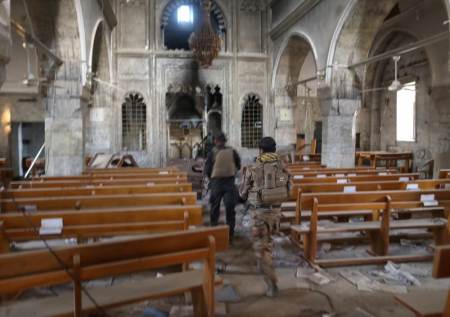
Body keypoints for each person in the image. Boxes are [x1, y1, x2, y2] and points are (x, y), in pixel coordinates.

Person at [239, 136, 289, 297]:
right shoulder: (283, 167)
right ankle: (267, 267)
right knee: (268, 244)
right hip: (276, 214)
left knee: (262, 249)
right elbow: (290, 190)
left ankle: (272, 283)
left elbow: (243, 194)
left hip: (260, 215)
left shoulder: (253, 168)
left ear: (260, 150)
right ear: (274, 150)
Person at [204, 132, 241, 240]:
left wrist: (212, 178)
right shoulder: (232, 151)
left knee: (215, 207)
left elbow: (208, 168)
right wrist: (232, 172)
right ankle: (230, 233)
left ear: (215, 141)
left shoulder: (212, 152)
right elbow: (238, 164)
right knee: (230, 208)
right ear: (225, 141)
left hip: (217, 182)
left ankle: (214, 230)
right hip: (229, 182)